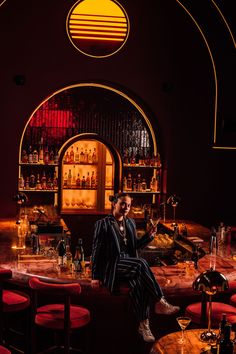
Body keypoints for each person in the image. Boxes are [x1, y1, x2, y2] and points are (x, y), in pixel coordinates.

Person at [91, 192, 180, 342]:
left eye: (129, 205)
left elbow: (135, 246)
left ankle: (144, 325)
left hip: (129, 263)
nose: (126, 207)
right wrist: (95, 277)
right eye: (123, 204)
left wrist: (149, 236)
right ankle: (160, 301)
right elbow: (96, 250)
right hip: (113, 265)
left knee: (141, 283)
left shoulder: (130, 223)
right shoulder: (103, 224)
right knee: (141, 263)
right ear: (115, 204)